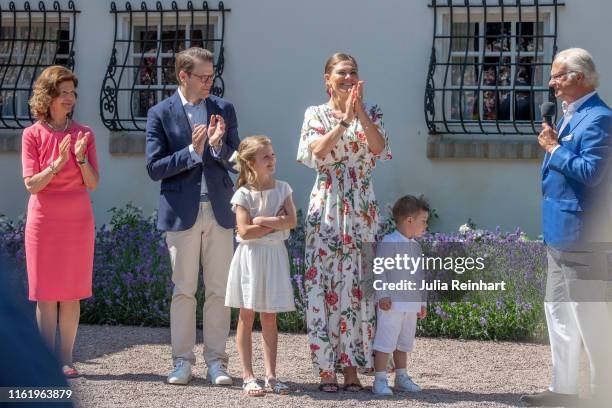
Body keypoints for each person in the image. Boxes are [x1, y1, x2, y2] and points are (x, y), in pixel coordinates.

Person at [520, 48, 612, 407]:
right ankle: (564, 390)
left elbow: (592, 173)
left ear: (580, 76)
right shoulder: (573, 115)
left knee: (590, 318)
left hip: (583, 236)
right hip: (559, 233)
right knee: (557, 313)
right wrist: (557, 144)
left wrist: (555, 148)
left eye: (558, 75)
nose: (551, 82)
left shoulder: (600, 118)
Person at [297, 52, 391, 392]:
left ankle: (352, 367)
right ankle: (326, 369)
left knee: (357, 289)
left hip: (362, 207)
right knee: (323, 286)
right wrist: (343, 121)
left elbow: (378, 149)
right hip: (328, 206)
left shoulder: (374, 111)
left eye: (353, 72)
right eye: (341, 72)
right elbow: (317, 153)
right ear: (327, 79)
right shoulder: (315, 114)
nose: (348, 77)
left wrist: (360, 113)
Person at [145, 47, 240, 385]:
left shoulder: (223, 109)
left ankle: (217, 362)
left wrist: (216, 148)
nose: (208, 83)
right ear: (183, 76)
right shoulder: (160, 113)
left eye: (211, 76)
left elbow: (239, 162)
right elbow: (154, 168)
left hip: (219, 211)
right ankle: (181, 361)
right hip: (181, 212)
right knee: (183, 290)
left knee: (218, 290)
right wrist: (191, 152)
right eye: (202, 77)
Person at [21, 65, 99, 378]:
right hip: (43, 222)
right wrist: (55, 165)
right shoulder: (31, 135)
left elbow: (92, 183)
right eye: (63, 93)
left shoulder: (85, 134)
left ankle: (65, 359)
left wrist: (79, 159)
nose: (70, 98)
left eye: (72, 93)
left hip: (77, 222)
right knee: (45, 293)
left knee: (70, 292)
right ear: (48, 96)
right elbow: (31, 185)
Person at [225, 136, 297, 396]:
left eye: (273, 154)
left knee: (270, 316)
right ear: (251, 163)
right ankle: (247, 375)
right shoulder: (243, 194)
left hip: (274, 256)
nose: (272, 159)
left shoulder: (283, 188)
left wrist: (263, 220)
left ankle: (271, 375)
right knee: (247, 314)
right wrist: (274, 223)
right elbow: (244, 231)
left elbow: (291, 221)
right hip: (251, 258)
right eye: (266, 156)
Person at [371, 195, 428, 395]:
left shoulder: (416, 247)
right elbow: (379, 270)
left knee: (404, 342)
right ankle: (379, 380)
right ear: (409, 220)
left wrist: (422, 302)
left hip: (410, 305)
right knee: (385, 341)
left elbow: (420, 276)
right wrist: (383, 295)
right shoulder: (389, 241)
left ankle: (401, 377)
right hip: (392, 304)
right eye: (423, 221)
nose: (425, 226)